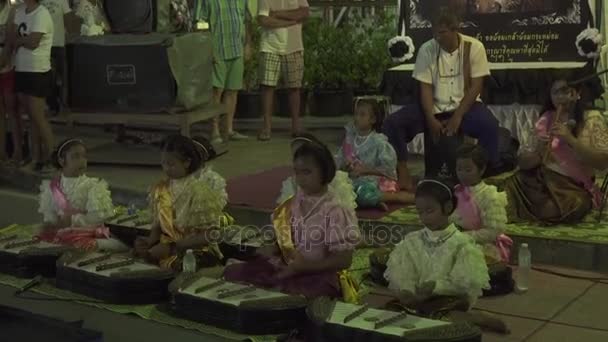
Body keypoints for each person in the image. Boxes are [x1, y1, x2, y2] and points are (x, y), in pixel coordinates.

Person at [224, 134, 360, 299]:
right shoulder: (293, 203)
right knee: (235, 274)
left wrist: (305, 266)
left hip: (318, 275)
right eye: (297, 172)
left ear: (325, 171)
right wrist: (274, 248)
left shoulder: (336, 211)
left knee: (296, 297)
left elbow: (343, 260)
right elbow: (284, 240)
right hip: (289, 267)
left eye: (307, 172)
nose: (300, 179)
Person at [382, 10, 499, 191]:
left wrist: (458, 116)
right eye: (434, 32)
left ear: (455, 30)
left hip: (466, 107)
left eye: (442, 32)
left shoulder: (474, 47)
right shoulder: (427, 49)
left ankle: (486, 177)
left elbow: (476, 86)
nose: (437, 37)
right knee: (393, 122)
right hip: (432, 106)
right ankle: (403, 172)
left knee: (490, 125)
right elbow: (425, 87)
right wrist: (430, 118)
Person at [501, 78, 608, 224]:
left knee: (571, 205)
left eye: (565, 91)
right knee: (506, 190)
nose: (560, 97)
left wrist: (570, 139)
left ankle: (535, 213)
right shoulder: (546, 118)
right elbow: (523, 163)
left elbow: (602, 163)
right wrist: (539, 150)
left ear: (577, 93)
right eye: (555, 92)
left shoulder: (592, 119)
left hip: (571, 186)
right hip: (542, 178)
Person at [134, 135, 231, 270]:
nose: (166, 168)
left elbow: (211, 234)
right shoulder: (160, 189)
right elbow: (158, 224)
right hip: (165, 247)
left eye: (171, 164)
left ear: (186, 162)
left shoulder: (199, 191)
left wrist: (173, 247)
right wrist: (149, 240)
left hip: (194, 251)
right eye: (163, 163)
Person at [38, 138, 128, 251]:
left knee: (80, 245)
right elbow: (50, 217)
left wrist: (73, 220)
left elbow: (97, 218)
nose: (82, 161)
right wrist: (51, 224)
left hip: (87, 235)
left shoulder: (93, 186)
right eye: (75, 156)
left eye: (84, 156)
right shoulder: (52, 188)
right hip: (63, 235)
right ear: (62, 161)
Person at [1, 0, 55, 172]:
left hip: (37, 70)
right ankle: (35, 157)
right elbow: (11, 38)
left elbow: (33, 42)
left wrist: (18, 41)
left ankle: (53, 157)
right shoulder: (20, 11)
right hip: (22, 69)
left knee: (38, 116)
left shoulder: (42, 13)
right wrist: (19, 40)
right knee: (31, 118)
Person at [335, 98, 414, 209]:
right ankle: (373, 202)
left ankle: (396, 197)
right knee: (334, 187)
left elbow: (388, 170)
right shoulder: (350, 139)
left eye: (362, 115)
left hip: (373, 182)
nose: (357, 118)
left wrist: (365, 170)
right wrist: (345, 167)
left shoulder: (378, 142)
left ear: (373, 119)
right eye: (356, 114)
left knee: (363, 191)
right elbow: (340, 162)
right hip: (353, 180)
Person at [199, 0, 250, 144]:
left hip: (236, 49)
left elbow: (246, 20)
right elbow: (199, 23)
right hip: (217, 50)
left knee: (233, 90)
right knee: (217, 91)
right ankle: (214, 131)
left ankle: (228, 129)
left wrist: (247, 44)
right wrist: (208, 47)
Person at [256, 0, 309, 141]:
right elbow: (263, 20)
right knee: (267, 86)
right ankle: (267, 127)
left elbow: (304, 12)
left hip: (294, 45)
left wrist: (278, 14)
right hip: (270, 46)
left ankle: (296, 126)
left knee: (294, 87)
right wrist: (290, 21)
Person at [451, 144, 512, 264]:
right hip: (456, 241)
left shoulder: (489, 195)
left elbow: (493, 231)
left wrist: (464, 237)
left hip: (483, 246)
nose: (462, 174)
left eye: (468, 170)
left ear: (482, 169)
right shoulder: (456, 191)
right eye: (459, 169)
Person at [41, 0, 75, 115]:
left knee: (53, 77)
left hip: (52, 44)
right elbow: (69, 21)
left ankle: (57, 106)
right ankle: (59, 106)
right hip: (52, 45)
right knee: (58, 77)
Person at [0, 1, 20, 166]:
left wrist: (3, 60)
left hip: (8, 67)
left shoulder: (12, 10)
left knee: (12, 111)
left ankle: (17, 151)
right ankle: (2, 152)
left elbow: (10, 41)